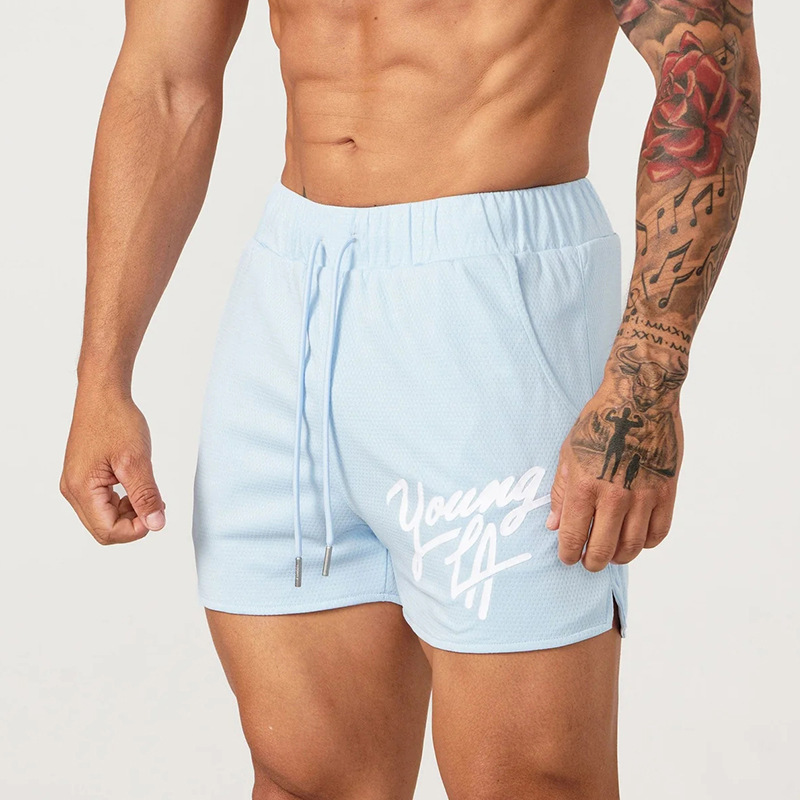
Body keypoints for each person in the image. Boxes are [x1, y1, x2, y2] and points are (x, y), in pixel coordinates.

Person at [59, 1, 760, 797]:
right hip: (290, 299)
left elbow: (709, 68)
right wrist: (102, 377)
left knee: (529, 782)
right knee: (305, 774)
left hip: (498, 299)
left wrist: (645, 379)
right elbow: (165, 78)